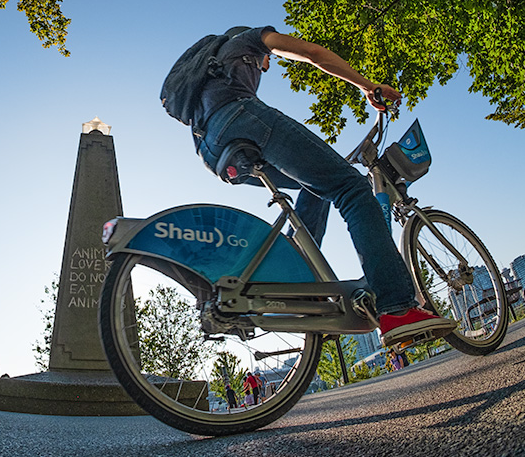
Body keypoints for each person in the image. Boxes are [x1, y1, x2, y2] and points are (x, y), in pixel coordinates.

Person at [184, 26, 457, 347]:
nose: (268, 65)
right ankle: (398, 307)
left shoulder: (210, 70)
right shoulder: (249, 41)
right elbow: (313, 53)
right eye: (268, 60)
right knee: (352, 189)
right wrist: (369, 87)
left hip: (212, 151)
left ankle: (297, 282)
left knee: (317, 187)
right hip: (240, 118)